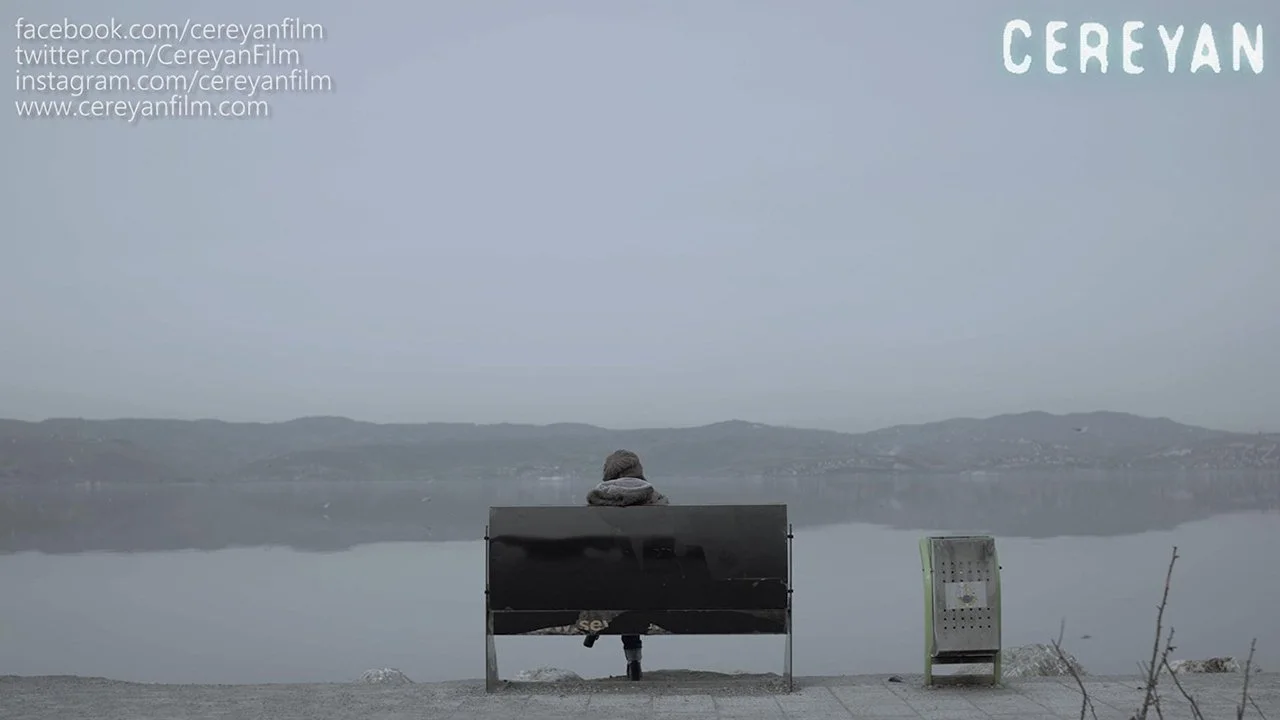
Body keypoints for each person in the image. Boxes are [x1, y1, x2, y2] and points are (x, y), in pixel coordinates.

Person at [583, 449, 668, 681]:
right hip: (654, 585)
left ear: (608, 473)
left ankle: (595, 627)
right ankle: (634, 660)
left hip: (606, 586)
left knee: (615, 581)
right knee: (633, 584)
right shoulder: (658, 501)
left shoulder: (596, 501)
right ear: (638, 471)